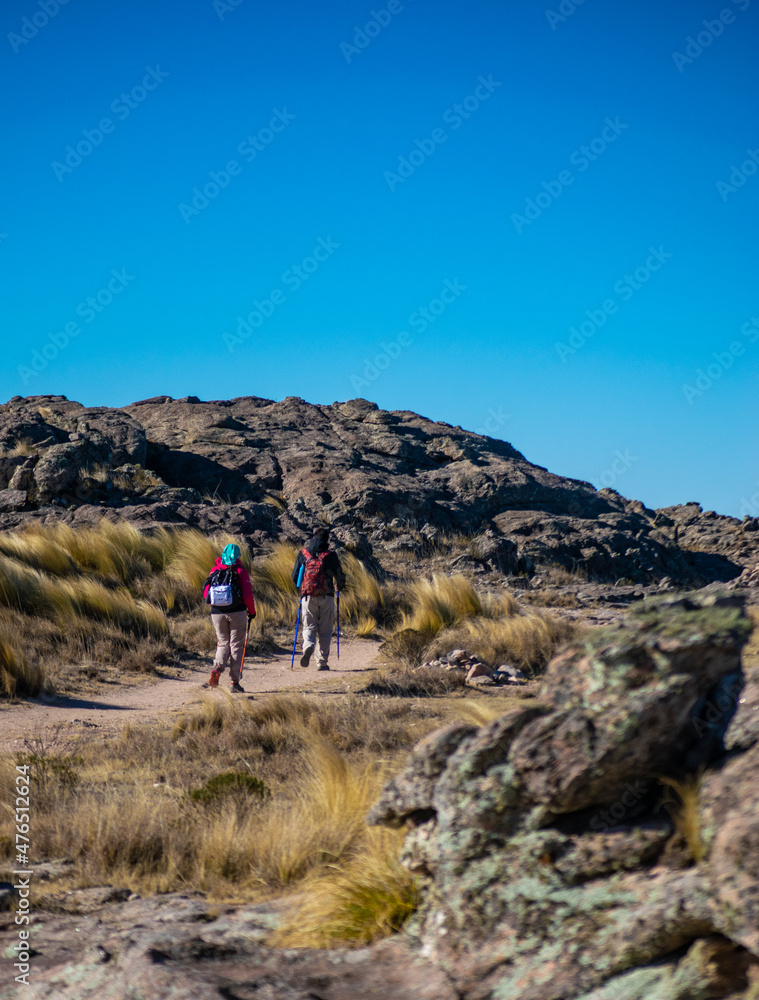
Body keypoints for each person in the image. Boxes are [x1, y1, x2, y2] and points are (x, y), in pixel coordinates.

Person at [203, 543, 256, 693]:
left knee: (223, 643)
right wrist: (252, 612)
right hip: (237, 612)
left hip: (217, 612)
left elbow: (206, 593)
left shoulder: (214, 570)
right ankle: (234, 681)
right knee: (236, 646)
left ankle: (217, 669)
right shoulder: (241, 571)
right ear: (238, 556)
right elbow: (247, 595)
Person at [291, 527, 345, 671]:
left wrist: (302, 589)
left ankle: (308, 646)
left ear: (313, 537)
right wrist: (339, 586)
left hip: (308, 597)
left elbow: (294, 576)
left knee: (309, 626)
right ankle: (322, 662)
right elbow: (340, 576)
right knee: (325, 630)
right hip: (326, 597)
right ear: (327, 539)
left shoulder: (303, 554)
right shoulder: (330, 555)